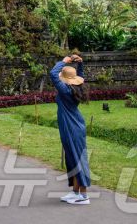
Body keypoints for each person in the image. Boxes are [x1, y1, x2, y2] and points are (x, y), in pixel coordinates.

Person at [50, 54, 91, 205]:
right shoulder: (75, 87)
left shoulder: (65, 90)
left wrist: (64, 61)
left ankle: (84, 195)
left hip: (72, 128)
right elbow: (80, 77)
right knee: (72, 159)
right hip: (73, 126)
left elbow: (53, 74)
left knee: (78, 159)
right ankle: (75, 192)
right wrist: (80, 65)